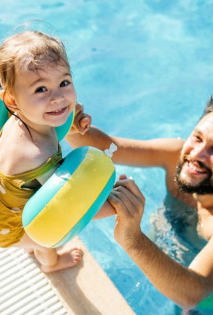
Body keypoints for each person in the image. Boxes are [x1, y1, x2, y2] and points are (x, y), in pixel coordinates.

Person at [0, 30, 120, 273]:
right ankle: (50, 264)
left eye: (64, 83)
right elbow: (68, 204)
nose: (58, 98)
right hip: (5, 226)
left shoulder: (18, 117)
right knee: (46, 239)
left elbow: (53, 112)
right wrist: (115, 203)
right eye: (41, 89)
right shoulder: (36, 154)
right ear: (11, 100)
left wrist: (70, 120)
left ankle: (30, 244)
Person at [66, 99, 213, 309]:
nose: (196, 154)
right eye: (197, 138)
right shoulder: (176, 155)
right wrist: (74, 128)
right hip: (164, 253)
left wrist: (133, 239)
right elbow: (110, 147)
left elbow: (193, 294)